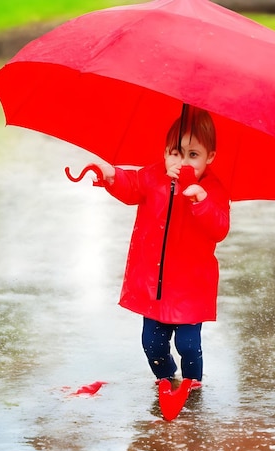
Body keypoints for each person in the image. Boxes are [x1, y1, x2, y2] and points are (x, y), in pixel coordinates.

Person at [95, 106, 230, 389]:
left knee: (188, 344)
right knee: (152, 343)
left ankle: (193, 383)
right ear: (165, 151)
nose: (182, 162)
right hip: (153, 280)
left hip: (191, 284)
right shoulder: (154, 176)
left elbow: (219, 229)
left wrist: (201, 202)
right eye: (175, 152)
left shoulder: (213, 189)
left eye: (193, 155)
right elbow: (131, 186)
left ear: (210, 157)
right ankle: (165, 378)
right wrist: (111, 175)